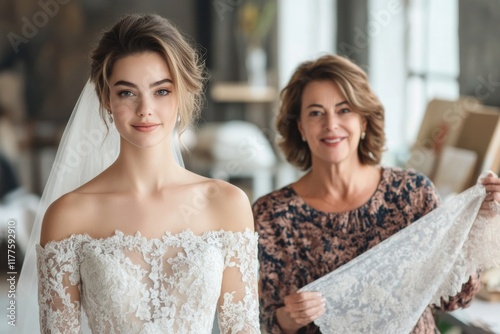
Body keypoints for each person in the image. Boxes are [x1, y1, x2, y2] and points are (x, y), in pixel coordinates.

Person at [16, 14, 260, 334]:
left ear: (183, 92)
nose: (145, 109)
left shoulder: (227, 203)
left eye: (161, 91)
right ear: (106, 98)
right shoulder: (68, 214)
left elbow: (241, 329)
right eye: (127, 92)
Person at [253, 54, 500, 334]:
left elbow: (456, 299)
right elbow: (262, 322)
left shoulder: (412, 195)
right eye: (315, 112)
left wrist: (478, 222)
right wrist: (289, 318)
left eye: (344, 110)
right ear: (300, 126)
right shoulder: (272, 215)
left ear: (364, 121)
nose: (331, 124)